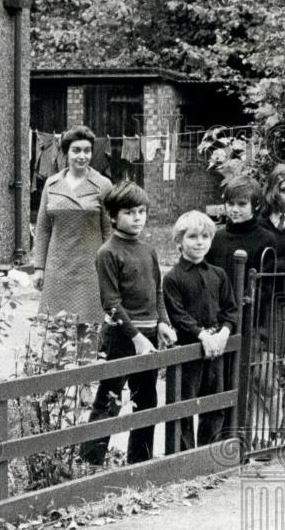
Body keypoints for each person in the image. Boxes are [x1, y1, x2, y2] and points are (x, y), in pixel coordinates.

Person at [81, 182, 176, 465]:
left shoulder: (148, 250)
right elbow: (110, 302)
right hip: (121, 336)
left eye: (141, 211)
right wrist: (135, 337)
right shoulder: (107, 253)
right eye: (129, 212)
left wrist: (162, 323)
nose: (137, 217)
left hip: (148, 335)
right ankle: (90, 462)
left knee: (146, 401)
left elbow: (157, 292)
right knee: (108, 400)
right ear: (112, 216)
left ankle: (139, 462)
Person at [208, 176, 282, 448]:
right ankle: (225, 439)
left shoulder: (266, 239)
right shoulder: (217, 239)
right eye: (230, 203)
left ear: (255, 206)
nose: (235, 209)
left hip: (251, 320)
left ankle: (253, 437)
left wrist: (259, 327)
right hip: (220, 321)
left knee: (250, 380)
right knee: (223, 380)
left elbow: (268, 288)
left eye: (241, 204)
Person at [163, 211, 239, 450]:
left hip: (216, 347)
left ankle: (209, 454)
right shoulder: (173, 278)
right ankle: (182, 458)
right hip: (188, 351)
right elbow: (178, 315)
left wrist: (224, 332)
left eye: (205, 236)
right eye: (193, 237)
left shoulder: (218, 274)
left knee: (214, 405)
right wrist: (202, 335)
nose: (200, 242)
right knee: (184, 406)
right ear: (179, 241)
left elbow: (231, 309)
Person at [32, 126, 113, 341]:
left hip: (90, 270)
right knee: (55, 332)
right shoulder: (52, 183)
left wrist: (111, 269)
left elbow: (108, 230)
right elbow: (43, 228)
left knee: (88, 332)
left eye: (87, 151)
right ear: (66, 152)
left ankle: (87, 374)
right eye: (76, 150)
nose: (82, 156)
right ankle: (58, 373)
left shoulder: (103, 185)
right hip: (57, 269)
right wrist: (39, 267)